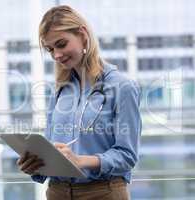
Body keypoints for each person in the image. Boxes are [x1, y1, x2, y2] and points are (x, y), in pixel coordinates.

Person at [17, 5, 142, 200]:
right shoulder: (61, 90)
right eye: (50, 49)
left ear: (83, 34)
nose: (56, 55)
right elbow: (53, 148)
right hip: (57, 192)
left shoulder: (122, 87)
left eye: (61, 44)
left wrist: (81, 161)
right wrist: (36, 165)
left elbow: (127, 156)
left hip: (102, 193)